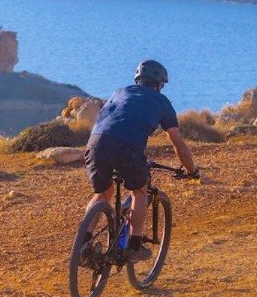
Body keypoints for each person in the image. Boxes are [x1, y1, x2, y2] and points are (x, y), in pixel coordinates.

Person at [84, 60, 198, 262]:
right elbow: (178, 144)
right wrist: (191, 171)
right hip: (126, 147)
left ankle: (84, 245)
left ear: (137, 80)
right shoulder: (162, 102)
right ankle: (134, 247)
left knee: (103, 193)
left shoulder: (119, 92)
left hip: (95, 143)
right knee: (139, 191)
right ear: (160, 84)